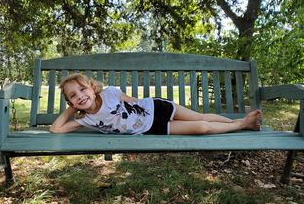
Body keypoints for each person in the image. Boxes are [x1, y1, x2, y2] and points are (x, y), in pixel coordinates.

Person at [50, 73, 261, 135]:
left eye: (82, 89)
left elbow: (135, 102)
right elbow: (56, 129)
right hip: (151, 129)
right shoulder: (88, 119)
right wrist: (73, 107)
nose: (79, 96)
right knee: (201, 128)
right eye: (73, 96)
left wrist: (75, 102)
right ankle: (242, 125)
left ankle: (241, 122)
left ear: (93, 88)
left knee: (201, 117)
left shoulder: (111, 93)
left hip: (156, 108)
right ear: (71, 102)